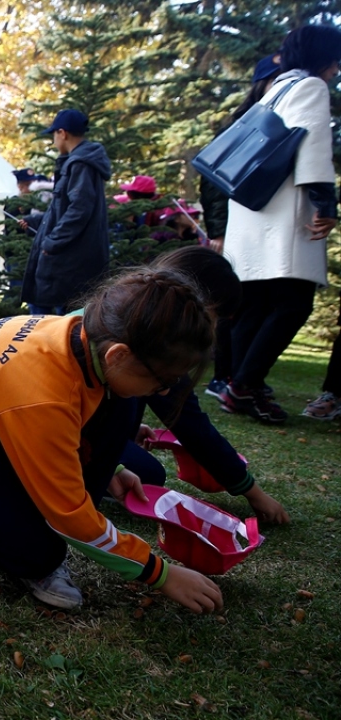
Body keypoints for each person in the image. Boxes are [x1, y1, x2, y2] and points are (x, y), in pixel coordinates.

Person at [0, 266, 224, 613]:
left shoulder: (87, 328)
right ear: (119, 355)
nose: (165, 391)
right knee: (38, 554)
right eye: (163, 380)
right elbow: (68, 513)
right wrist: (160, 573)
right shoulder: (43, 394)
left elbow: (69, 422)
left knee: (122, 406)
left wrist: (112, 468)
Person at [216, 25, 340, 425]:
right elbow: (313, 143)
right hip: (285, 212)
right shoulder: (310, 87)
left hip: (252, 211)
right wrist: (325, 202)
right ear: (324, 58)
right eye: (336, 61)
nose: (337, 70)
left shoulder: (275, 89)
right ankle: (244, 385)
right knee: (293, 302)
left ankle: (238, 384)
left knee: (254, 304)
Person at [119, 247, 289, 524]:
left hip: (78, 424)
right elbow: (192, 426)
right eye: (215, 317)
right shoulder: (158, 342)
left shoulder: (133, 315)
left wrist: (124, 424)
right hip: (58, 434)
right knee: (146, 473)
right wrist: (254, 493)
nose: (214, 328)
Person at [199, 54, 281, 399]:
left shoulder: (283, 127)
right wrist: (218, 231)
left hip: (266, 233)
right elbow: (214, 182)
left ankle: (241, 376)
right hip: (235, 233)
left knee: (259, 304)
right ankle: (222, 376)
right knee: (233, 304)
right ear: (262, 83)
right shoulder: (242, 127)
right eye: (276, 78)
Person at [20, 109, 111, 316]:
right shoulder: (77, 162)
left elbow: (79, 210)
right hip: (69, 259)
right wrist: (37, 221)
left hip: (70, 262)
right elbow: (64, 208)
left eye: (54, 134)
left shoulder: (80, 164)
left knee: (55, 320)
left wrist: (52, 243)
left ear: (63, 133)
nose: (53, 141)